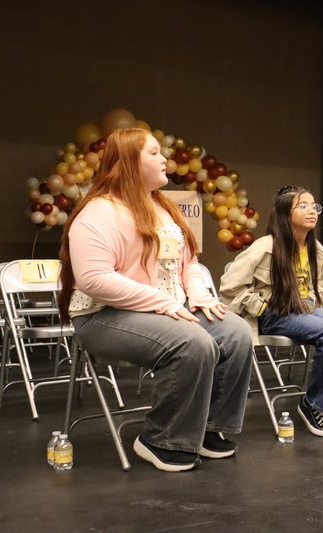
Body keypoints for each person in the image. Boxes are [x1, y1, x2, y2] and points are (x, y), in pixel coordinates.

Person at [58, 127, 254, 472]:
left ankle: (208, 429)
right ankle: (162, 439)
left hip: (167, 307)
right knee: (193, 343)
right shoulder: (99, 212)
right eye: (153, 153)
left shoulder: (163, 208)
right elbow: (94, 279)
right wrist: (162, 302)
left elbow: (189, 262)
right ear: (128, 162)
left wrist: (197, 293)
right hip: (104, 315)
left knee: (235, 332)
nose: (164, 159)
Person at [220, 186, 323, 437]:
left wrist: (316, 305)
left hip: (308, 310)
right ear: (284, 213)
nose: (312, 210)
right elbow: (230, 285)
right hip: (275, 313)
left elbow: (319, 287)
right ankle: (315, 406)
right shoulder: (265, 246)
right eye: (302, 206)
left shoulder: (317, 249)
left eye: (314, 206)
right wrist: (259, 308)